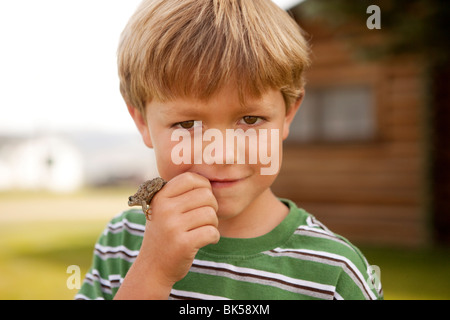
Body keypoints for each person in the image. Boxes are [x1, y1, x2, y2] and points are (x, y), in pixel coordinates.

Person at [76, 0, 383, 300]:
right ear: (142, 122)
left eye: (250, 119)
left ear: (288, 114)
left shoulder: (334, 275)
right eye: (186, 124)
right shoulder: (122, 242)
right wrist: (152, 272)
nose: (220, 153)